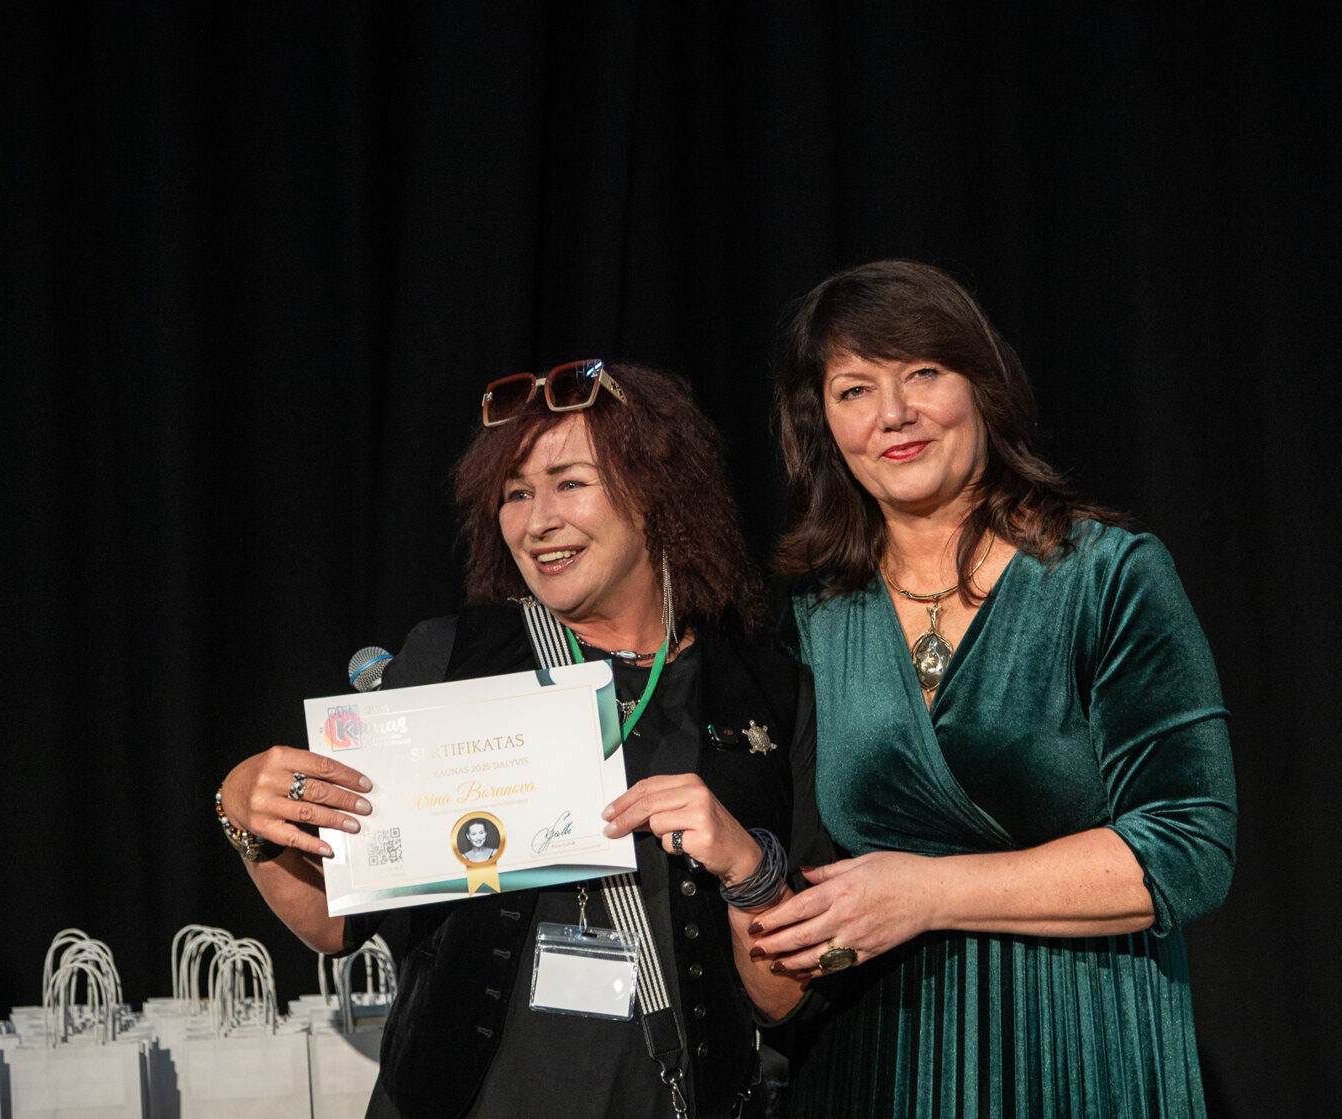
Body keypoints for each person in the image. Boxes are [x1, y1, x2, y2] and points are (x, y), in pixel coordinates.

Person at [215, 360, 822, 1118]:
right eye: (515, 493)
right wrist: (244, 815)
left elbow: (779, 1002)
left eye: (570, 483)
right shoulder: (451, 659)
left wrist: (748, 868)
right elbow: (337, 923)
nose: (537, 523)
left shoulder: (768, 692)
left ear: (659, 492)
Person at [751, 261, 1237, 1118]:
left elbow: (1188, 847)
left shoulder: (1107, 577)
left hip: (1081, 1055)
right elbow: (800, 883)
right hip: (875, 1067)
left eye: (923, 373)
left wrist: (928, 893)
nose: (893, 414)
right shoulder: (812, 617)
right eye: (855, 390)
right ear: (821, 423)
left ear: (982, 387)